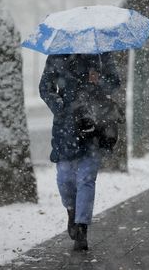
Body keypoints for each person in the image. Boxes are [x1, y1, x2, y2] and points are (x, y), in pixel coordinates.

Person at [39, 53, 120, 251]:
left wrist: (99, 80)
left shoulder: (101, 55)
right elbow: (45, 87)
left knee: (86, 179)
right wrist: (60, 106)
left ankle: (82, 226)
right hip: (66, 127)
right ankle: (71, 209)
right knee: (65, 178)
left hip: (94, 126)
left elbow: (114, 83)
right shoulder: (57, 55)